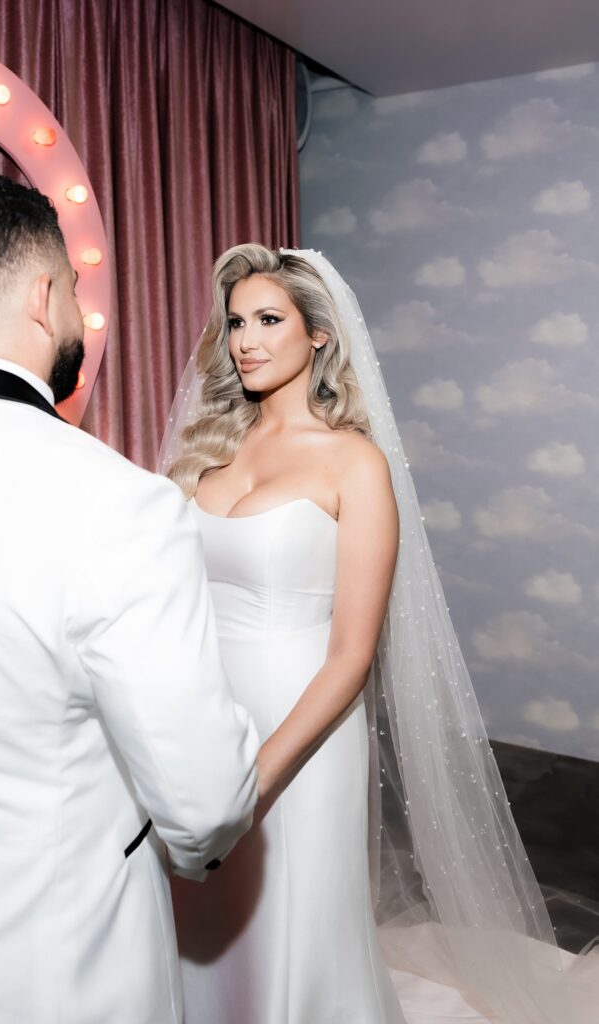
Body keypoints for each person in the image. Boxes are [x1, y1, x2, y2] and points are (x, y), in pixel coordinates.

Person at [159, 244, 595, 1024]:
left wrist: (254, 778)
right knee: (200, 918)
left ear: (318, 335)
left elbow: (354, 653)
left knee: (290, 914)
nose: (245, 340)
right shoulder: (205, 452)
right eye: (234, 323)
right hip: (200, 711)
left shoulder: (352, 462)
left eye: (268, 320)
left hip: (303, 724)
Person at [0, 175, 259, 1024]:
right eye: (72, 289)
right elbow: (204, 800)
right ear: (43, 297)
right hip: (51, 963)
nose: (75, 313)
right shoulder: (116, 503)